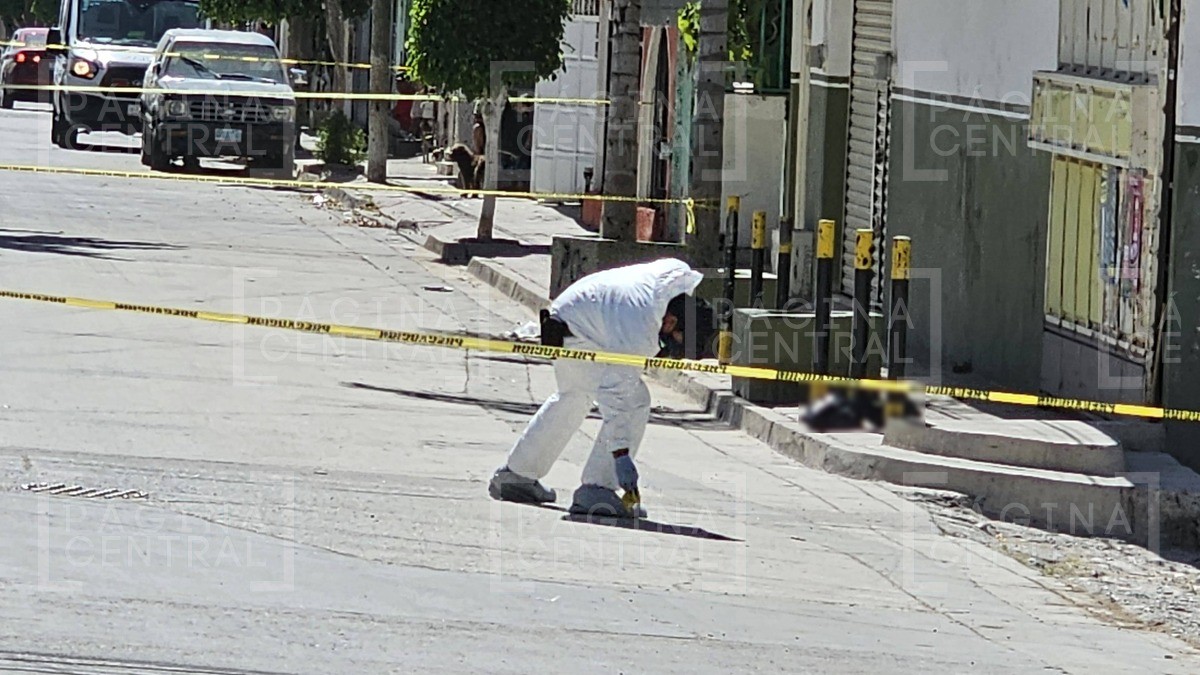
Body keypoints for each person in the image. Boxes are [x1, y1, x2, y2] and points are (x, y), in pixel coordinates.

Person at [489, 258, 704, 519]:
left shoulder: (674, 287)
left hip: (576, 313)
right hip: (581, 328)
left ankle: (517, 475)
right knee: (635, 399)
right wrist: (621, 456)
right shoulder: (640, 329)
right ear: (670, 322)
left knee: (574, 396)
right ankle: (597, 489)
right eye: (675, 340)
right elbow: (616, 395)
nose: (670, 347)